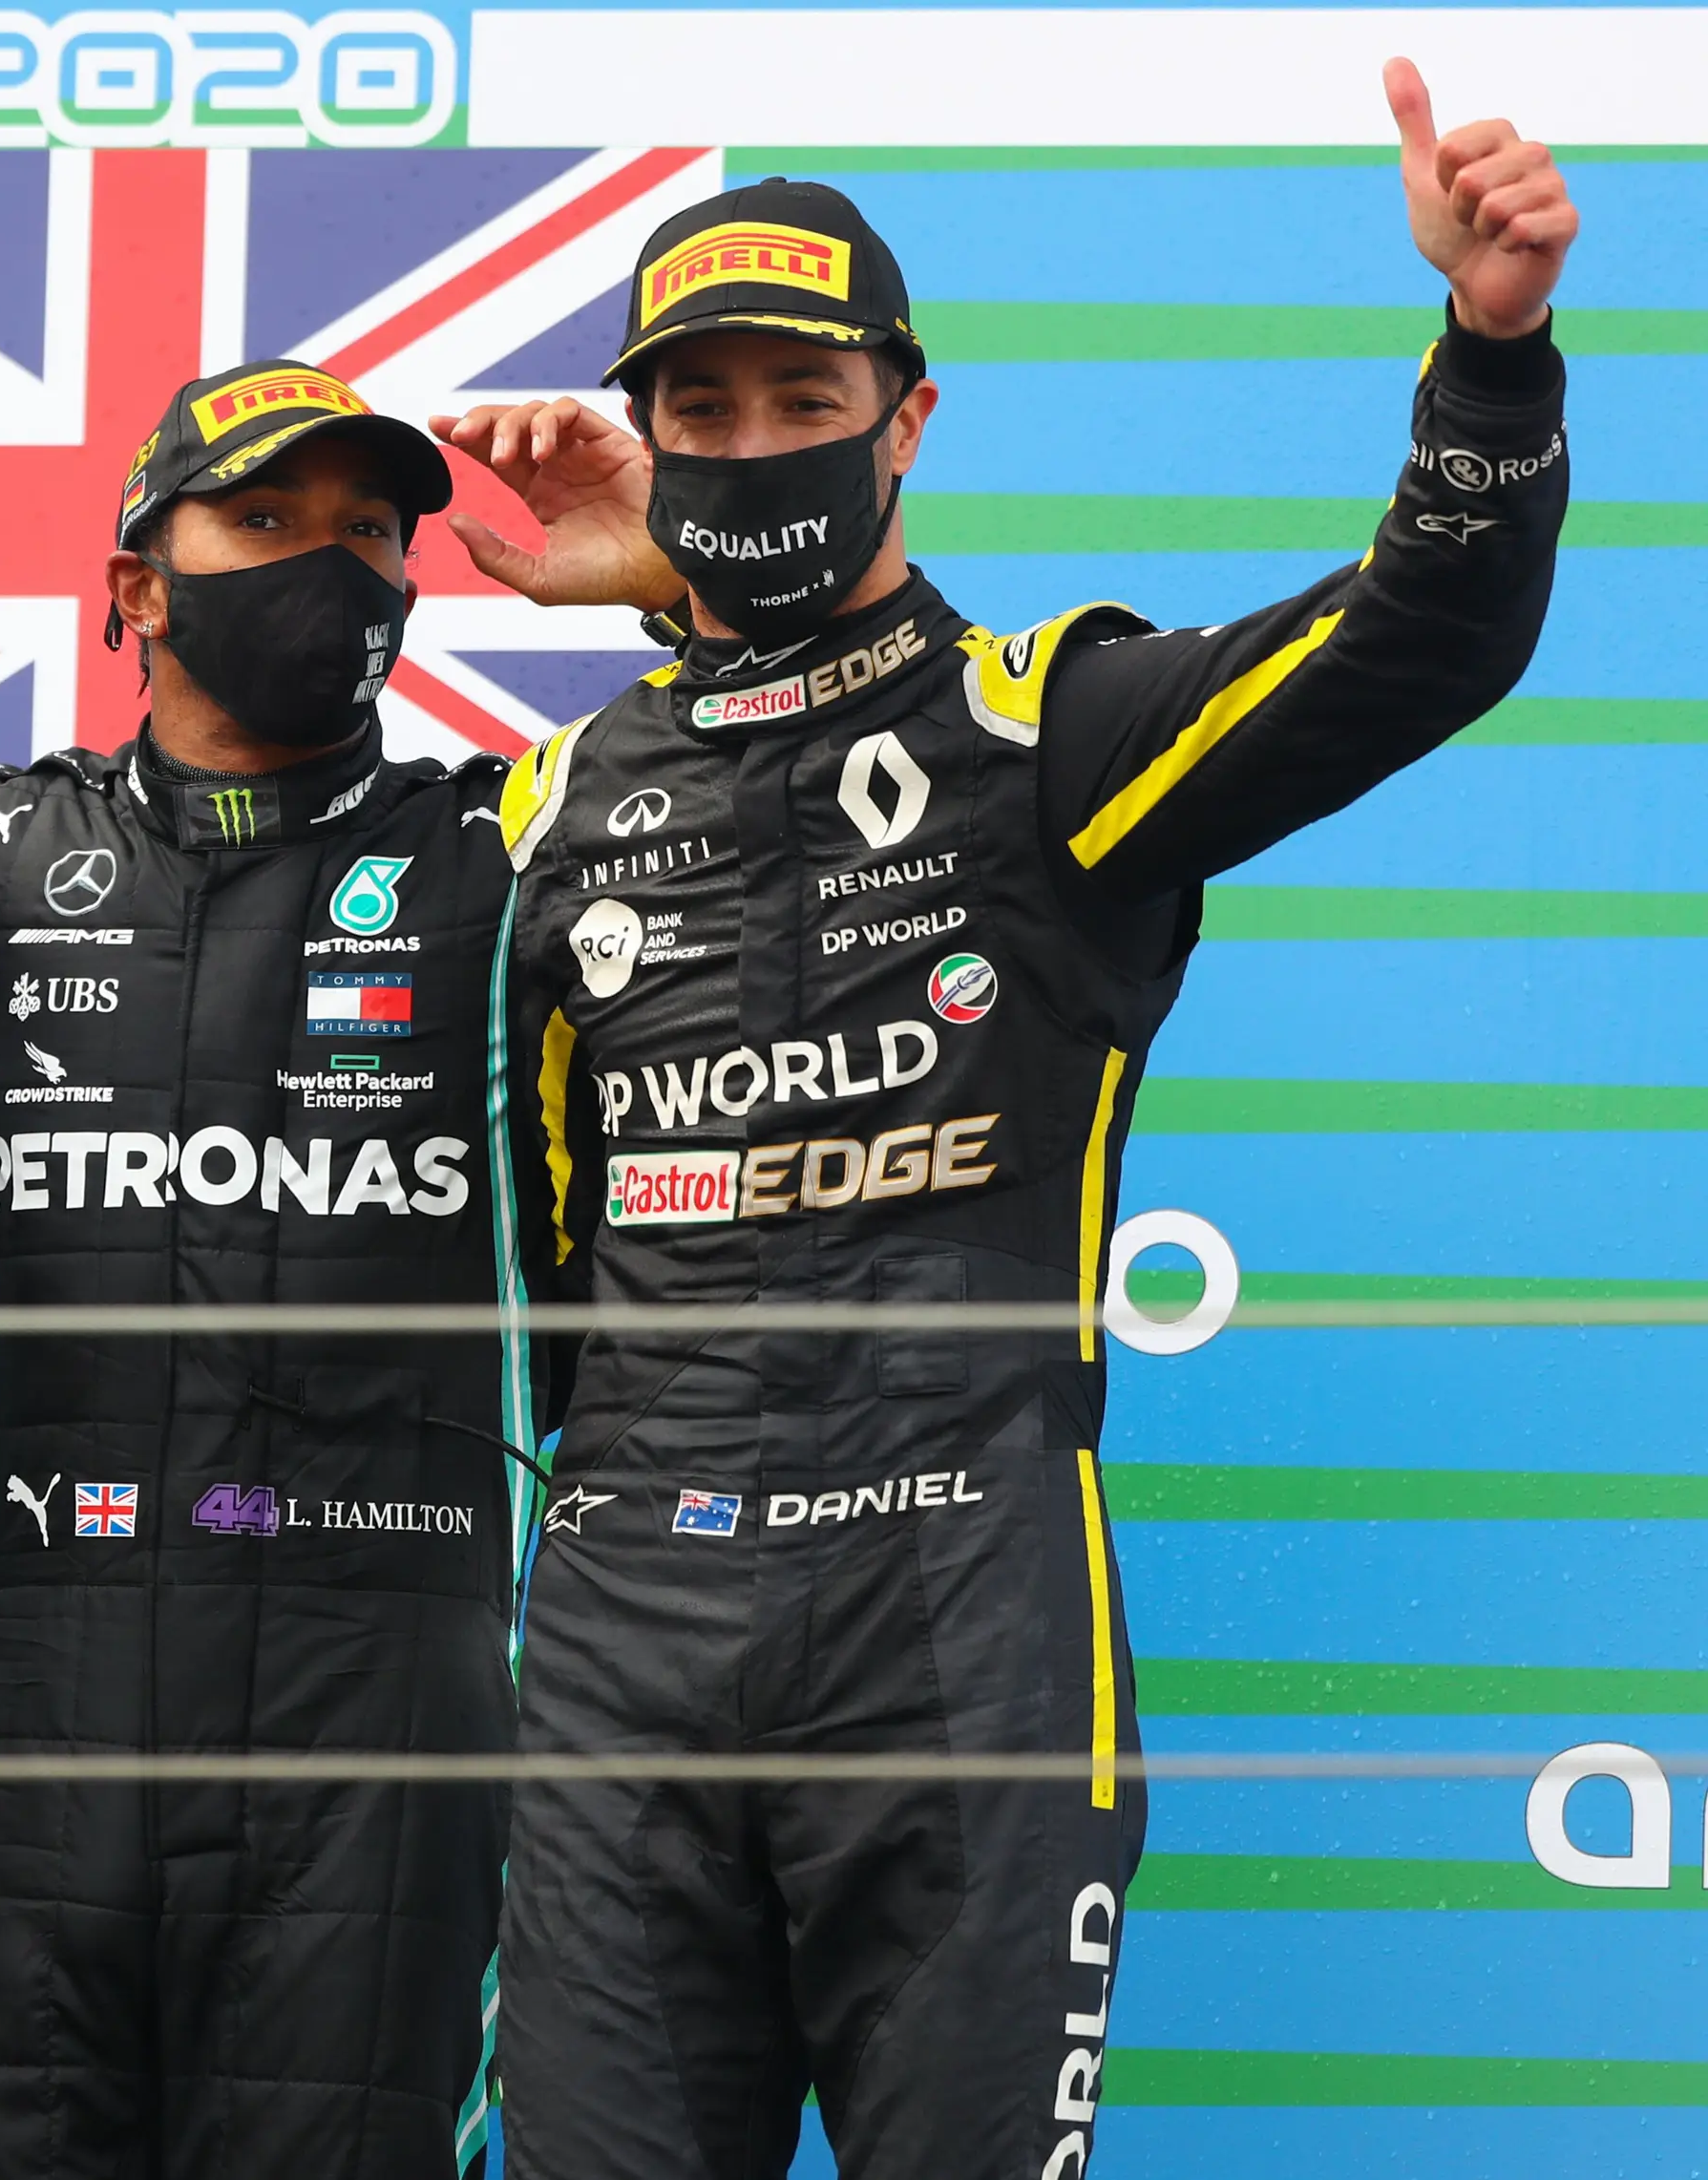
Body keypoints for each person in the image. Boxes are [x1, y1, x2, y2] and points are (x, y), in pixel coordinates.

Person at [436, 63, 1576, 2179]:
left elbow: (1417, 639)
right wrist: (681, 608)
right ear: (651, 439)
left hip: (958, 1621)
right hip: (619, 1640)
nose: (759, 444)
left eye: (808, 399)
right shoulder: (555, 802)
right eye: (707, 413)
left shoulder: (1054, 727)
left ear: (913, 416)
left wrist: (1491, 354)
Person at [0, 364, 531, 2179]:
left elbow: (756, 758)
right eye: (263, 524)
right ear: (137, 582)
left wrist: (659, 589)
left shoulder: (505, 852)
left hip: (386, 1704)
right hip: (53, 1682)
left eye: (370, 534)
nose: (331, 568)